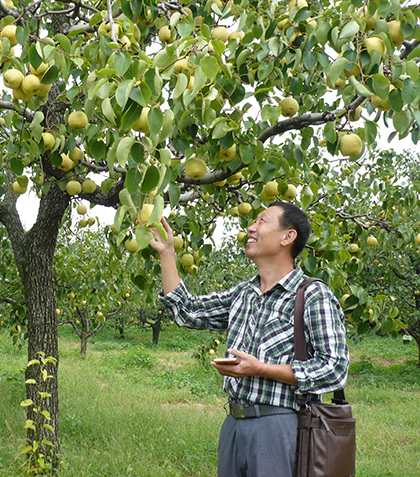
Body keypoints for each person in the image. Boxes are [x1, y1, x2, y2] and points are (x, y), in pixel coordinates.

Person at [149, 202, 349, 477]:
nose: (251, 227)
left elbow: (334, 368)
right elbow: (187, 311)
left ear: (287, 237)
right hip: (234, 422)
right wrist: (167, 253)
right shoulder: (244, 293)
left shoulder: (312, 295)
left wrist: (262, 369)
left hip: (279, 425)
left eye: (262, 221)